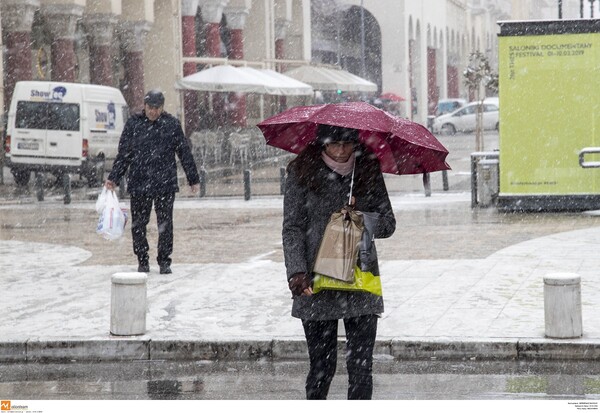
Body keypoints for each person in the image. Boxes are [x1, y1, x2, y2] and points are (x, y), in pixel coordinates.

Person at [282, 124, 396, 400]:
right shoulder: (301, 172)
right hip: (316, 280)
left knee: (361, 369)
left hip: (360, 280)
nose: (342, 150)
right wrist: (297, 272)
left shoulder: (367, 170)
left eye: (348, 144)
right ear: (321, 144)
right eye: (335, 144)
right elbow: (292, 227)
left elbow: (388, 224)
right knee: (322, 367)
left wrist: (363, 216)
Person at [105, 89, 200, 274]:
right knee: (139, 224)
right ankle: (142, 259)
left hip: (165, 183)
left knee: (165, 224)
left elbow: (184, 152)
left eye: (157, 108)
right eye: (150, 107)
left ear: (162, 108)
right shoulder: (134, 124)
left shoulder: (171, 124)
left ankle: (164, 261)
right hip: (140, 183)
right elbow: (124, 154)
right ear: (145, 106)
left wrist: (193, 178)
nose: (153, 112)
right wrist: (114, 178)